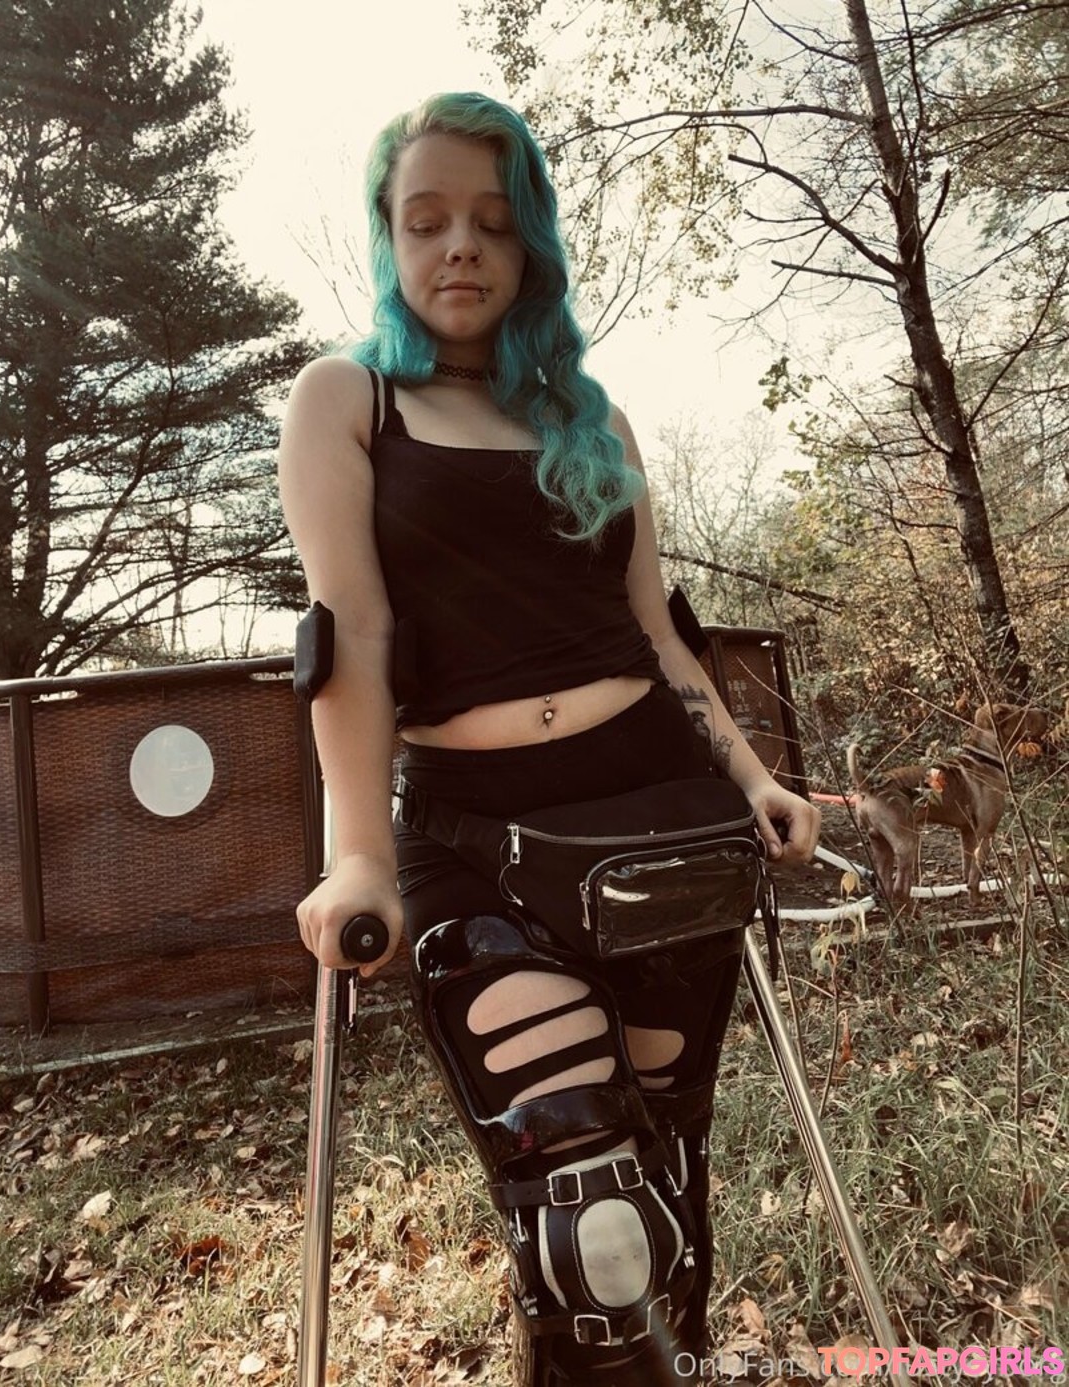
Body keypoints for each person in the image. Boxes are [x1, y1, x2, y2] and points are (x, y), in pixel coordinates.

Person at [278, 91, 820, 1387]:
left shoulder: (596, 424)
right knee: (591, 1226)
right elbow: (349, 634)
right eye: (426, 221)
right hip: (476, 848)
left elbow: (661, 631)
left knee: (667, 1189)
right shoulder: (346, 401)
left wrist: (755, 776)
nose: (460, 245)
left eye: (492, 219)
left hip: (661, 827)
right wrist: (358, 857)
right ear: (389, 242)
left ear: (530, 244)